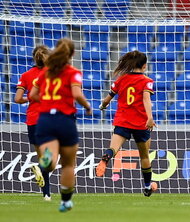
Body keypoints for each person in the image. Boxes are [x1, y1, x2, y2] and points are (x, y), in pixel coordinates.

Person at [30, 38, 92, 212]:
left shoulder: (45, 72)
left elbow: (33, 95)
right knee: (68, 164)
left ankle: (45, 161)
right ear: (72, 54)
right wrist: (87, 106)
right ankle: (65, 202)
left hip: (44, 120)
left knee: (50, 162)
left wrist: (48, 101)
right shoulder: (73, 72)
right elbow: (76, 94)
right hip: (65, 119)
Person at [95, 50, 158, 197]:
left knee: (113, 148)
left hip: (122, 120)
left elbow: (108, 98)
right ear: (144, 66)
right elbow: (146, 100)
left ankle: (106, 158)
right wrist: (150, 118)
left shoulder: (121, 79)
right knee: (144, 156)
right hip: (140, 123)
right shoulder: (146, 81)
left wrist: (103, 106)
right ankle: (147, 186)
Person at [14, 45, 52, 201]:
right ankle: (46, 190)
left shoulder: (26, 75)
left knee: (42, 155)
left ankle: (46, 194)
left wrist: (28, 99)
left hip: (33, 120)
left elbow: (17, 99)